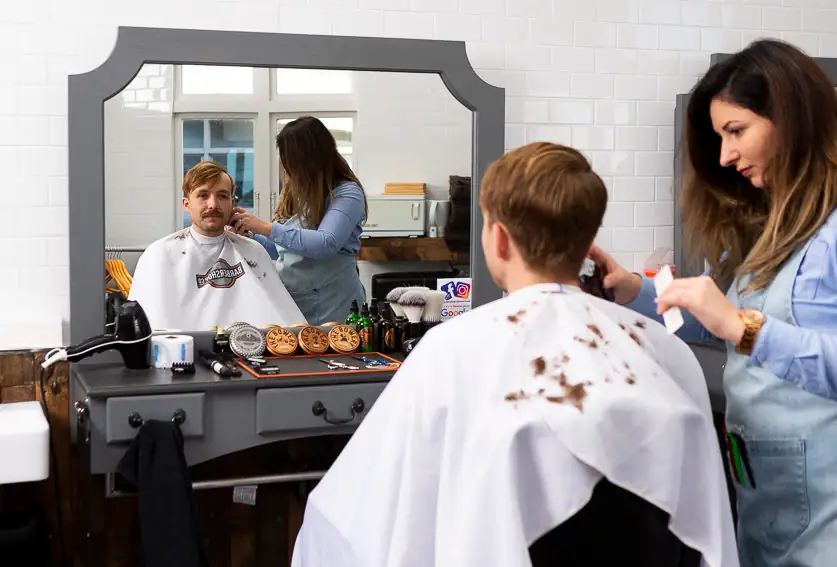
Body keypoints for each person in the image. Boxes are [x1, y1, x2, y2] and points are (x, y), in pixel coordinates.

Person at [290, 143, 738, 567]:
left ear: (498, 240)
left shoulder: (451, 350)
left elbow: (353, 521)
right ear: (588, 242)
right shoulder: (664, 351)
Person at [590, 39, 837, 567]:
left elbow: (741, 325)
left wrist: (744, 328)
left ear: (790, 118)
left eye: (736, 132)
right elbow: (718, 318)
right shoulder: (765, 228)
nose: (725, 156)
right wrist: (636, 291)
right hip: (765, 492)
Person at [128, 161, 305, 331]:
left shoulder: (253, 251)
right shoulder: (160, 255)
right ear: (186, 205)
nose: (213, 205)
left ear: (232, 204)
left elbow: (284, 320)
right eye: (203, 195)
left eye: (222, 196)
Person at [229, 116, 367, 325]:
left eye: (291, 161)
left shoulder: (347, 194)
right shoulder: (302, 194)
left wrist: (265, 228)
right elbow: (285, 249)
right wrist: (248, 234)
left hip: (334, 309)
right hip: (297, 305)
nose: (288, 169)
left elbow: (324, 244)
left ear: (310, 158)